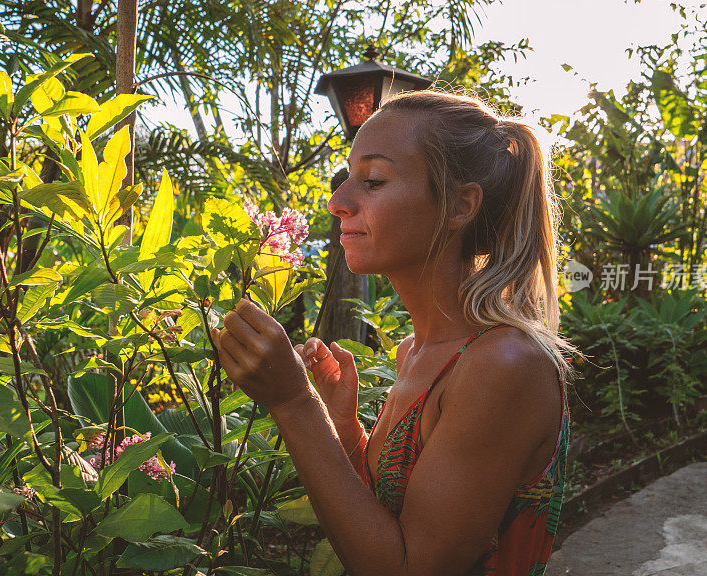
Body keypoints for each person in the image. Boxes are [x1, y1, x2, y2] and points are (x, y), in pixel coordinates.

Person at [213, 90, 578, 576]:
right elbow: (391, 521)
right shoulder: (418, 351)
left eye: (374, 180)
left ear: (459, 205)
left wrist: (294, 403)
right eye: (347, 178)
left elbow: (406, 567)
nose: (337, 201)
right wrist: (342, 431)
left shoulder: (503, 363)